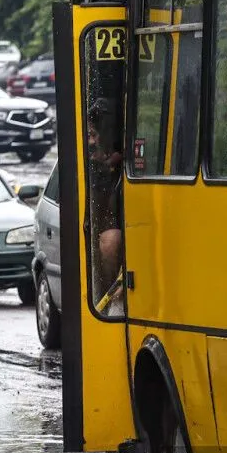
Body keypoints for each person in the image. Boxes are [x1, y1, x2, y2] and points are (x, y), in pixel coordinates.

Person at [86, 96, 124, 309]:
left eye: (94, 135)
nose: (91, 142)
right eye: (88, 135)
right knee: (111, 240)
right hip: (102, 231)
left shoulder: (123, 167)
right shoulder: (90, 169)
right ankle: (109, 295)